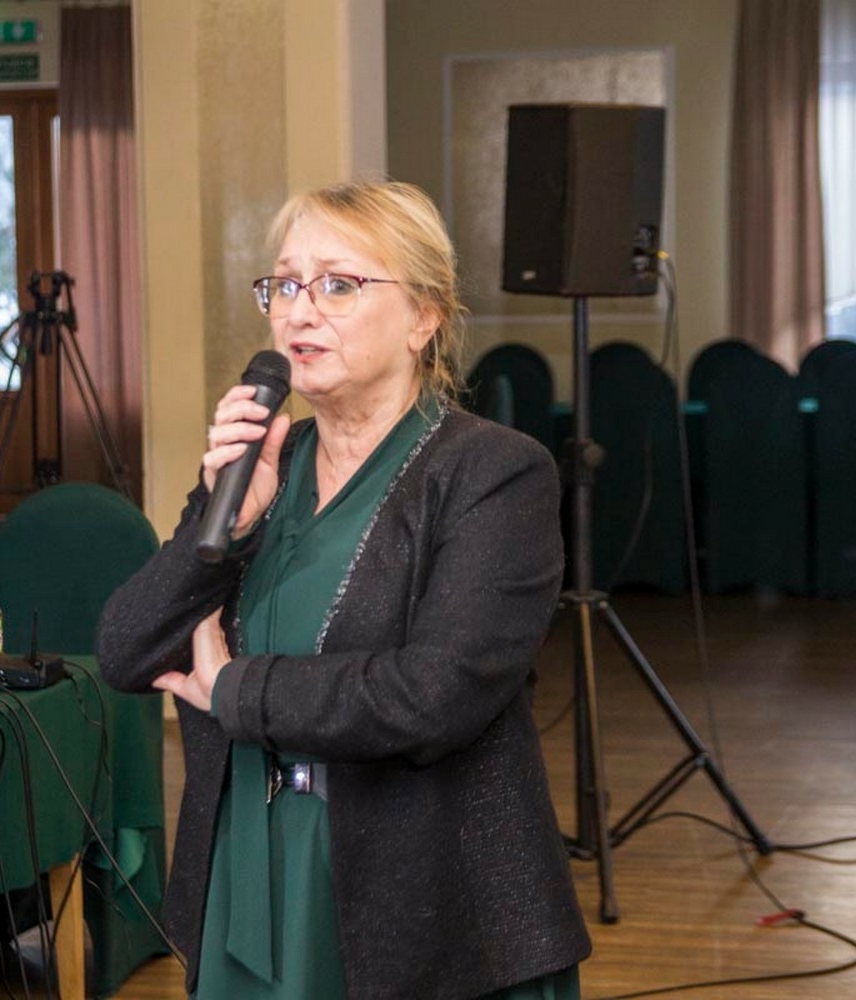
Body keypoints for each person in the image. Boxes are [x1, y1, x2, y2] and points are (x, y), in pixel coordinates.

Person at [97, 179, 590, 999]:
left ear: (424, 317)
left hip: (422, 902)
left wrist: (236, 689)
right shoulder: (265, 466)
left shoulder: (494, 474)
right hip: (249, 877)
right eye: (285, 285)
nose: (300, 312)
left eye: (338, 284)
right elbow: (125, 651)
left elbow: (435, 694)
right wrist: (224, 531)